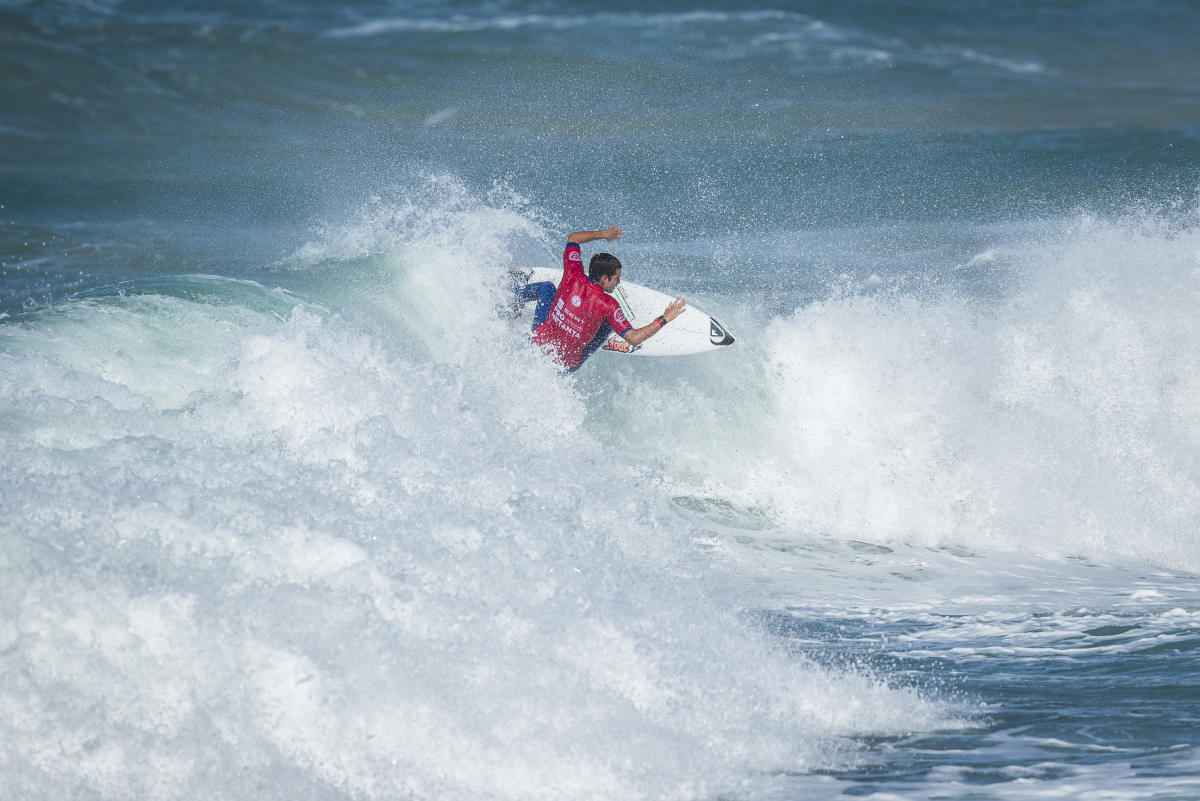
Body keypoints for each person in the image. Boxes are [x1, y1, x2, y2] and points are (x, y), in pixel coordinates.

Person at [516, 226, 687, 372]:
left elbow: (573, 238)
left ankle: (511, 296)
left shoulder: (572, 274)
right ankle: (613, 339)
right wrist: (664, 318)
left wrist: (604, 234)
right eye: (617, 278)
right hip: (565, 364)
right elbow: (634, 338)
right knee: (607, 324)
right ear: (604, 278)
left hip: (539, 346)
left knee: (547, 288)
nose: (619, 282)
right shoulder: (609, 305)